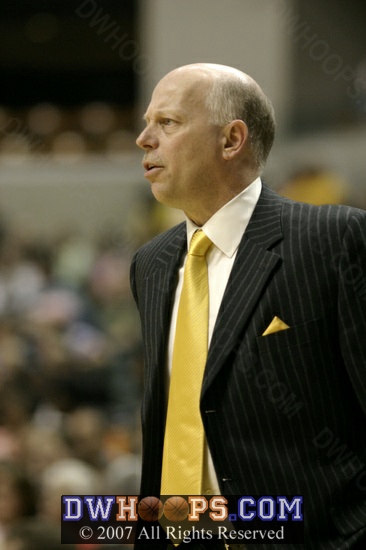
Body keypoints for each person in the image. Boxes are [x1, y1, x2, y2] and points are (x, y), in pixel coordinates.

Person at [130, 63, 366, 549]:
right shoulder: (149, 265)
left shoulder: (333, 239)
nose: (143, 139)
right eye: (147, 122)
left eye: (167, 123)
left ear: (231, 139)